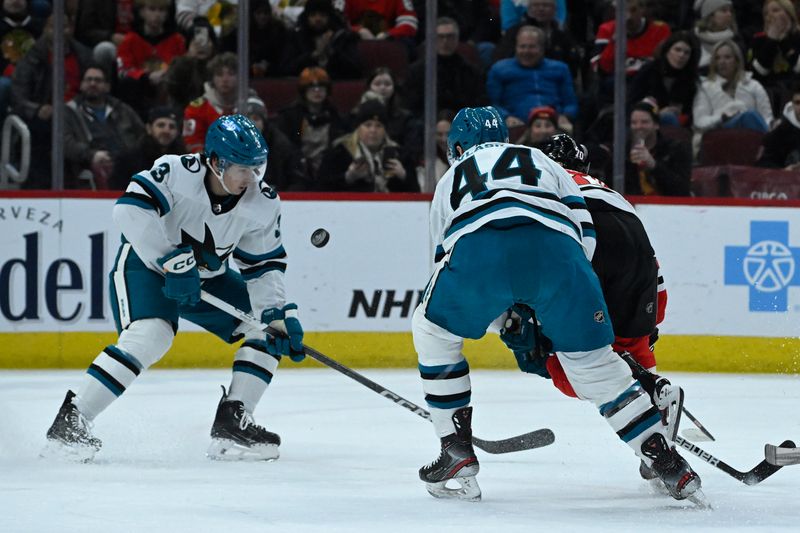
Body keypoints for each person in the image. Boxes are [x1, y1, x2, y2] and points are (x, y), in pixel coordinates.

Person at [413, 106, 700, 503]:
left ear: (458, 146)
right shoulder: (538, 159)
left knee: (432, 330)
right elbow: (582, 230)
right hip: (562, 257)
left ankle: (454, 448)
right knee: (595, 365)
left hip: (481, 251)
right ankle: (666, 461)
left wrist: (506, 315)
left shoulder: (451, 177)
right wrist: (560, 297)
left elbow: (444, 257)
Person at [45, 114, 306, 462]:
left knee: (265, 331)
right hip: (147, 266)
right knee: (152, 335)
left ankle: (233, 422)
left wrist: (274, 313)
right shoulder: (176, 172)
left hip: (205, 279)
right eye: (242, 169)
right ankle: (72, 421)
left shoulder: (263, 202)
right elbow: (129, 212)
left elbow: (262, 266)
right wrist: (169, 259)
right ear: (215, 162)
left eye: (257, 168)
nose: (251, 178)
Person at [63, 64, 145, 189]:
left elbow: (143, 136)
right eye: (88, 79)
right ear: (81, 85)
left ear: (107, 87)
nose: (92, 83)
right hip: (88, 167)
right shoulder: (70, 111)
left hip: (127, 167)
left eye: (98, 80)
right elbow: (66, 143)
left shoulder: (122, 109)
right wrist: (91, 155)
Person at [486, 25, 577, 130]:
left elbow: (570, 103)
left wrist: (566, 116)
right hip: (517, 125)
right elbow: (492, 103)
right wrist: (506, 117)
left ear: (542, 49)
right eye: (522, 46)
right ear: (516, 47)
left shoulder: (560, 68)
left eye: (532, 47)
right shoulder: (499, 69)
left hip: (553, 123)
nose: (526, 51)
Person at [318, 99, 418, 192]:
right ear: (358, 128)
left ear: (385, 130)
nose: (373, 130)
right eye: (368, 125)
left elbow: (417, 192)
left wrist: (404, 176)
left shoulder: (399, 154)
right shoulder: (339, 152)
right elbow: (320, 188)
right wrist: (347, 178)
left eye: (378, 126)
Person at [693, 40, 773, 147]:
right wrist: (721, 117)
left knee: (751, 116)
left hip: (751, 134)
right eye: (717, 58)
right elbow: (699, 121)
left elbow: (767, 118)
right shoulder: (705, 87)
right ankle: (770, 147)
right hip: (719, 133)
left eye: (727, 57)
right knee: (749, 115)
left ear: (737, 61)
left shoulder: (753, 85)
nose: (722, 62)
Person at [403, 17, 487, 117]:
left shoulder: (471, 72)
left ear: (457, 39)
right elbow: (411, 106)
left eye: (450, 36)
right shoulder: (416, 72)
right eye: (440, 37)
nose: (445, 41)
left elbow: (478, 106)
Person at [628, 31, 701, 128]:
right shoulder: (649, 70)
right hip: (645, 121)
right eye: (677, 50)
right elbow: (632, 103)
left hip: (679, 125)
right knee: (668, 117)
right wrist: (657, 112)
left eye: (686, 53)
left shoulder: (690, 78)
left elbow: (691, 110)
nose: (681, 55)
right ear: (667, 51)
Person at [621, 99, 692, 196]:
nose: (638, 126)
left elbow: (682, 190)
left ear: (656, 125)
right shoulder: (622, 152)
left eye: (644, 122)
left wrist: (654, 165)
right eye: (634, 123)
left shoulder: (676, 149)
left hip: (666, 207)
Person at [112, 105, 187, 189]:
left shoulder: (184, 162)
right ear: (149, 129)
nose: (166, 131)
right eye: (161, 125)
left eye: (172, 127)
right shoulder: (128, 160)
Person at [758, 86, 800, 171]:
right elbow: (763, 164)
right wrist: (784, 171)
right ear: (792, 104)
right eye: (798, 102)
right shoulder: (781, 131)